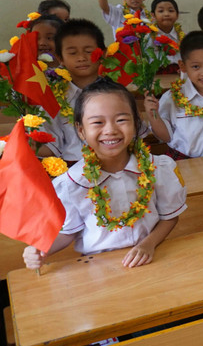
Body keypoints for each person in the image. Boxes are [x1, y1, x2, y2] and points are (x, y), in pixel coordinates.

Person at [23, 78, 185, 269]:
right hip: (99, 269)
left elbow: (169, 217)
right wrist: (41, 250)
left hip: (153, 256)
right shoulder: (72, 183)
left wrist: (148, 244)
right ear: (81, 131)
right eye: (98, 122)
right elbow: (68, 232)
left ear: (136, 124)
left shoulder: (158, 168)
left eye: (121, 120)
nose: (110, 130)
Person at [145, 31, 203, 160]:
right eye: (196, 67)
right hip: (180, 159)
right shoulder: (171, 98)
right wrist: (153, 116)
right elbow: (165, 137)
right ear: (183, 66)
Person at [44, 19, 107, 164]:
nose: (81, 58)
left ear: (102, 54)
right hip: (71, 169)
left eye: (88, 51)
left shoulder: (117, 94)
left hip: (113, 166)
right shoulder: (54, 99)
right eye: (72, 53)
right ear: (60, 58)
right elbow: (51, 146)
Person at [151, 0, 183, 71]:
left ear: (177, 15)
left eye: (171, 11)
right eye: (161, 11)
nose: (166, 14)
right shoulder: (148, 36)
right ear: (153, 15)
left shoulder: (183, 37)